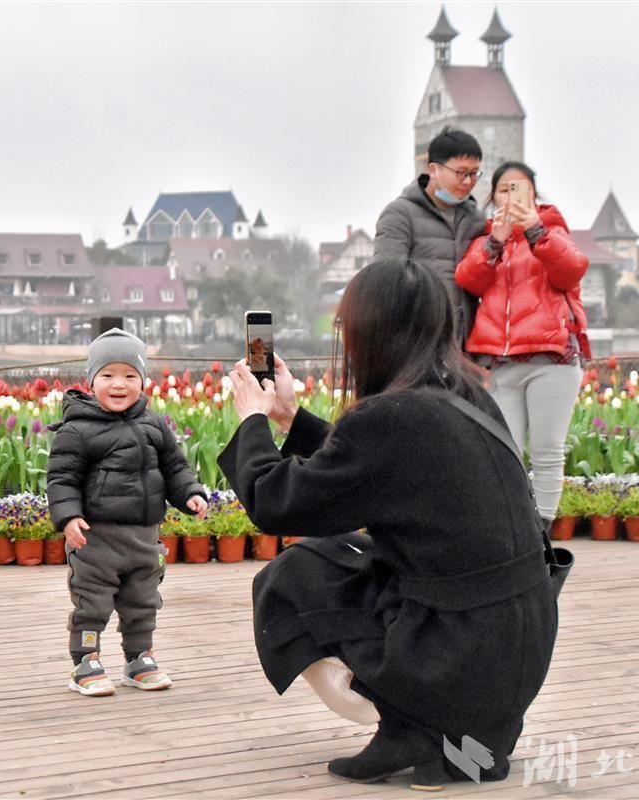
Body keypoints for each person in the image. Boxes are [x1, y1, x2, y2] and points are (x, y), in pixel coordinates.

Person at [218, 260, 557, 790]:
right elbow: (383, 471)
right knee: (350, 553)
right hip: (517, 648)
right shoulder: (470, 395)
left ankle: (416, 718)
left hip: (457, 654)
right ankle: (429, 734)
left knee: (294, 575)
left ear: (367, 332)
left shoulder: (391, 417)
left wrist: (252, 420)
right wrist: (292, 418)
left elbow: (275, 503)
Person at [46, 328, 209, 696]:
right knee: (92, 601)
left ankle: (139, 659)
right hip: (96, 538)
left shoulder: (153, 424)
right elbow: (62, 479)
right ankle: (85, 662)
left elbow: (175, 467)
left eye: (129, 375)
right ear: (91, 381)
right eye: (107, 375)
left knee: (142, 601)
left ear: (142, 381)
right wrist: (69, 517)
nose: (119, 384)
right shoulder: (76, 430)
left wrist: (190, 495)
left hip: (143, 536)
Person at [455, 161, 590, 525]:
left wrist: (536, 231)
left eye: (520, 187)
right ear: (493, 196)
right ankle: (515, 526)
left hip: (551, 360)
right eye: (504, 188)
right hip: (501, 363)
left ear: (533, 193)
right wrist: (496, 242)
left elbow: (572, 270)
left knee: (547, 449)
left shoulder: (554, 231)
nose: (511, 195)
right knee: (505, 451)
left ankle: (543, 528)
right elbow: (468, 280)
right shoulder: (486, 239)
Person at [373, 126, 486, 344]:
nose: (468, 181)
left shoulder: (476, 219)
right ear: (433, 169)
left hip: (465, 342)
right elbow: (386, 279)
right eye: (461, 172)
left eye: (475, 174)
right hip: (418, 338)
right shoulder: (400, 214)